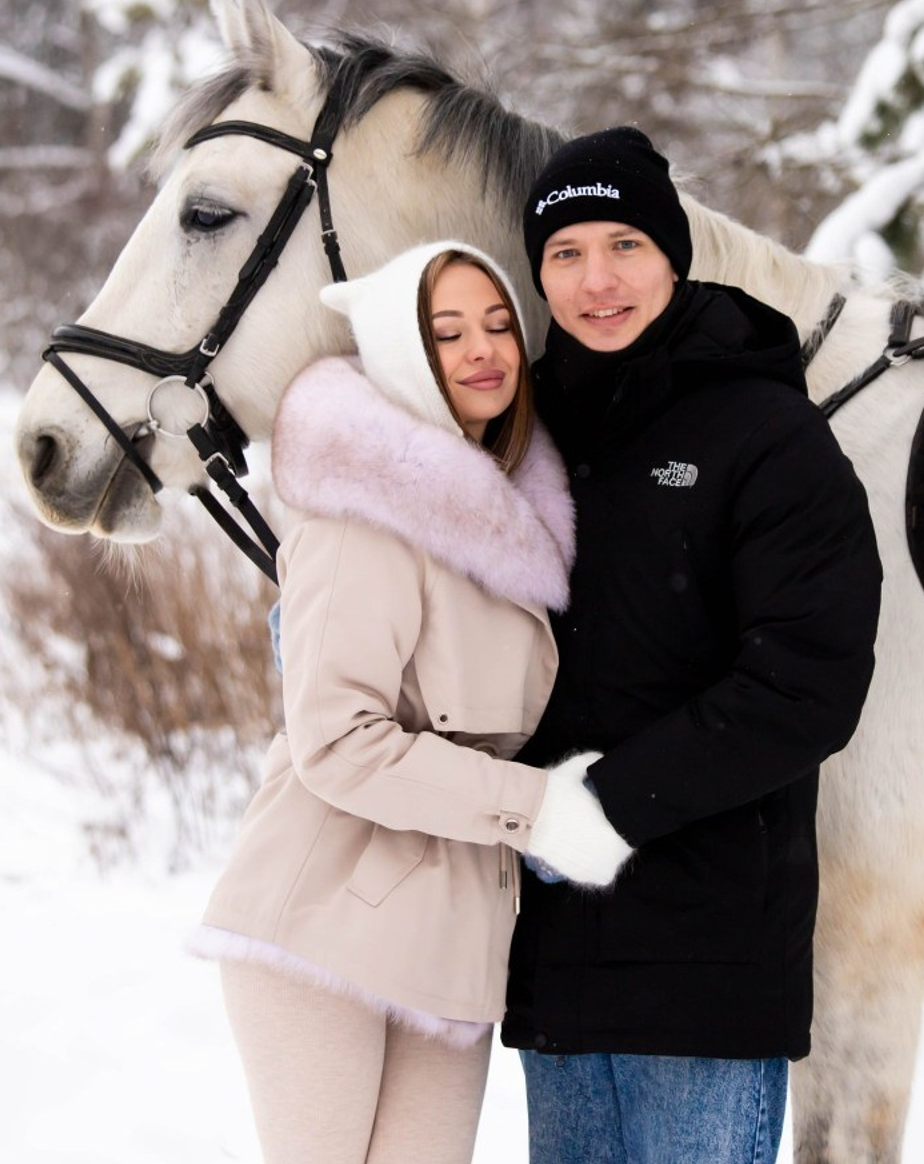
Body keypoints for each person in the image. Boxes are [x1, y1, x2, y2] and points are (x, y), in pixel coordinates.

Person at [189, 241, 633, 1164]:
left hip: (453, 943)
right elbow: (338, 740)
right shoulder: (368, 515)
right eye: (446, 332)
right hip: (328, 920)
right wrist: (534, 808)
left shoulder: (509, 526)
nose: (483, 349)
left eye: (499, 323)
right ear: (401, 355)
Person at [501, 129, 884, 1163]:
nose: (597, 279)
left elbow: (807, 683)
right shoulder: (523, 436)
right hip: (552, 966)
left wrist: (608, 802)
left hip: (707, 963)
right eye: (564, 253)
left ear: (673, 254)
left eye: (623, 242)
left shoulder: (765, 434)